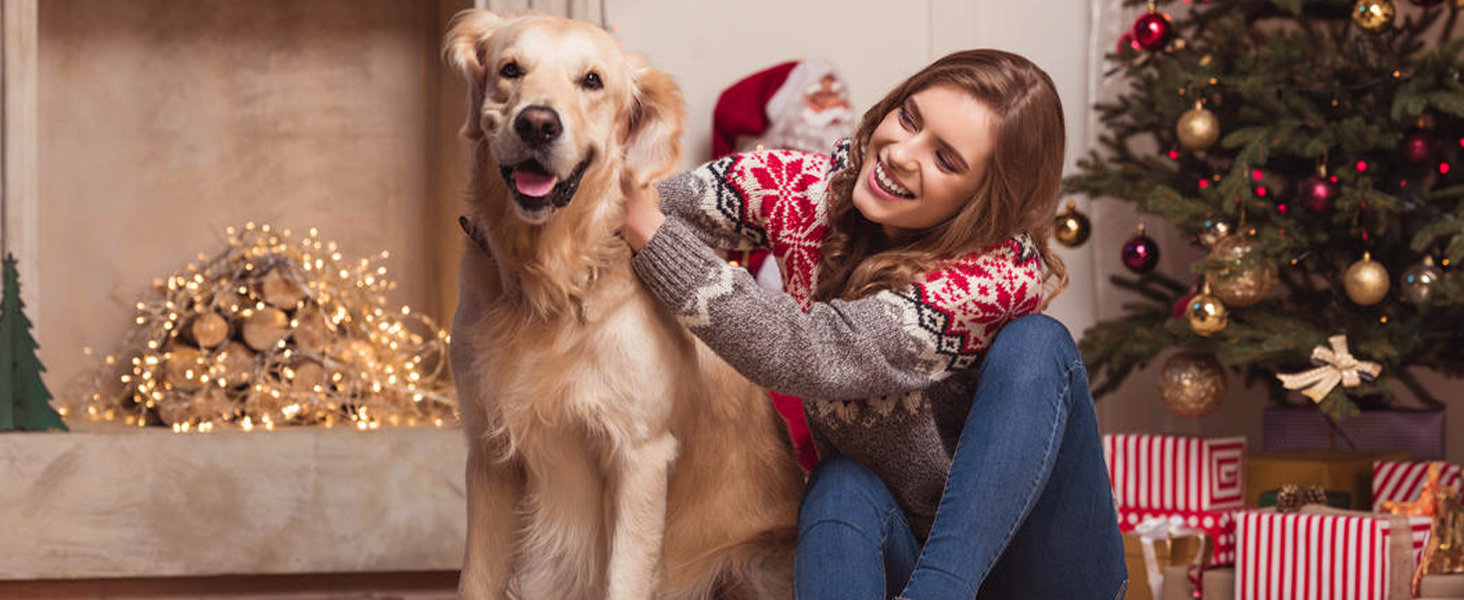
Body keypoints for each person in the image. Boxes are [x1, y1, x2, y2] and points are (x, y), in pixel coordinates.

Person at [620, 49, 1127, 600]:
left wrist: (648, 229)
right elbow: (643, 205)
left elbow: (809, 350)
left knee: (1038, 343)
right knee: (838, 485)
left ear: (983, 202)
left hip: (1043, 572)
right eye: (909, 119)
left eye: (946, 160)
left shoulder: (997, 276)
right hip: (908, 550)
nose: (902, 155)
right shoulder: (807, 190)